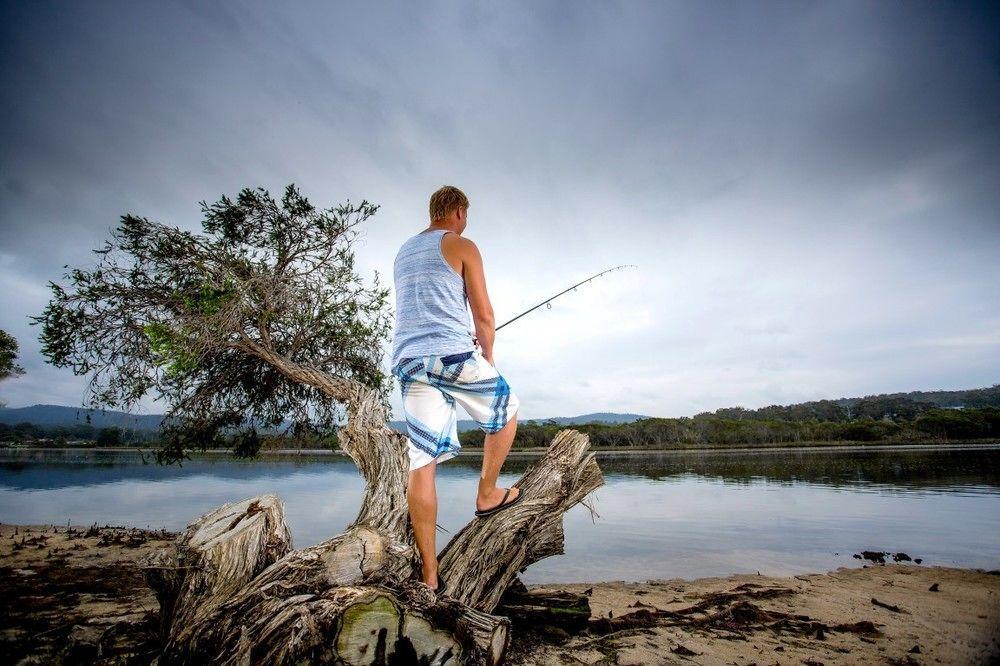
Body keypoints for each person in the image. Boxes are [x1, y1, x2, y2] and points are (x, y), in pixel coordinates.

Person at [389, 185, 522, 593]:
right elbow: (484, 315)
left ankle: (430, 576)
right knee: (507, 409)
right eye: (466, 215)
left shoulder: (403, 253)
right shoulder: (462, 245)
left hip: (410, 362)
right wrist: (489, 358)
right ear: (459, 212)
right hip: (451, 355)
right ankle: (486, 494)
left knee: (422, 461)